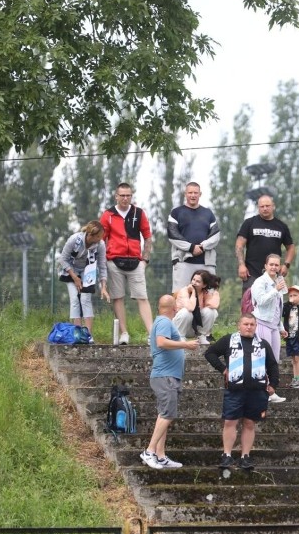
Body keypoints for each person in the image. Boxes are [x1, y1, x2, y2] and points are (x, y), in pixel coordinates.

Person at [204, 314, 280, 471]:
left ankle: (245, 456)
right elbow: (210, 353)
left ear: (256, 326)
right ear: (239, 325)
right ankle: (227, 455)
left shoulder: (263, 344)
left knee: (249, 423)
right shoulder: (228, 340)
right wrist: (223, 369)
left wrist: (273, 384)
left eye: (252, 324)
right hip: (234, 389)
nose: (249, 327)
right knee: (230, 421)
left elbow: (272, 365)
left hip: (257, 390)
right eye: (246, 324)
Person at [140, 295, 200, 469]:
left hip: (168, 376)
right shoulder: (165, 322)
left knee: (163, 415)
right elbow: (161, 342)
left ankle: (160, 455)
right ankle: (149, 451)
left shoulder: (161, 321)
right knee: (167, 414)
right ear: (174, 309)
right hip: (165, 376)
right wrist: (186, 345)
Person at [100, 182, 153, 344]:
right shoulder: (108, 215)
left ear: (131, 196)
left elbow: (148, 237)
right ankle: (124, 333)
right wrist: (103, 263)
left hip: (136, 262)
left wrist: (145, 259)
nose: (125, 198)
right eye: (122, 195)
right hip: (114, 261)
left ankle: (152, 333)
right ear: (116, 196)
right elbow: (101, 241)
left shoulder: (139, 213)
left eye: (128, 195)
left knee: (142, 297)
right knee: (118, 297)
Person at [57, 220, 110, 344]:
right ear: (90, 235)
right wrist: (75, 277)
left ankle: (88, 335)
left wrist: (103, 286)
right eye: (98, 236)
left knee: (85, 299)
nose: (100, 239)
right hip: (71, 270)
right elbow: (63, 259)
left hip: (88, 271)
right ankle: (77, 333)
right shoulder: (74, 240)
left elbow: (102, 265)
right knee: (75, 299)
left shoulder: (100, 244)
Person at [235, 194, 295, 293]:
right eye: (262, 206)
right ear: (258, 208)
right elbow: (239, 245)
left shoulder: (281, 226)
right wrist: (241, 265)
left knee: (274, 305)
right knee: (250, 306)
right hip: (251, 273)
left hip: (274, 274)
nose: (265, 208)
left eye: (267, 206)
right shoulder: (249, 223)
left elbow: (291, 248)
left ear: (273, 206)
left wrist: (286, 265)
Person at [167, 182, 220, 291]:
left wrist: (202, 247)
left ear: (200, 194)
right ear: (185, 194)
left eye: (195, 193)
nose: (193, 195)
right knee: (181, 298)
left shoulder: (208, 213)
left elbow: (215, 235)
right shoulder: (176, 212)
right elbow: (172, 235)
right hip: (183, 262)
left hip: (206, 263)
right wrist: (191, 248)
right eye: (190, 192)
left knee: (209, 298)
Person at [250, 254, 288, 403]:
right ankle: (261, 391)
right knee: (262, 358)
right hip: (262, 322)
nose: (274, 267)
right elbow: (261, 301)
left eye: (276, 265)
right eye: (271, 264)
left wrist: (281, 327)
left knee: (274, 360)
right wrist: (275, 290)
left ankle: (271, 391)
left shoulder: (279, 281)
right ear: (265, 266)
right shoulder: (260, 282)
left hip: (273, 325)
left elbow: (279, 307)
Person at [173, 270, 220, 345]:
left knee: (212, 311)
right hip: (179, 327)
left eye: (198, 281)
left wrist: (214, 291)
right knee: (186, 312)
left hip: (193, 328)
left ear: (204, 285)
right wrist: (193, 293)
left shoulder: (204, 292)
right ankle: (180, 337)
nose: (194, 283)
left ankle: (201, 336)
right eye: (193, 280)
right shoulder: (184, 291)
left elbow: (214, 305)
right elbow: (190, 308)